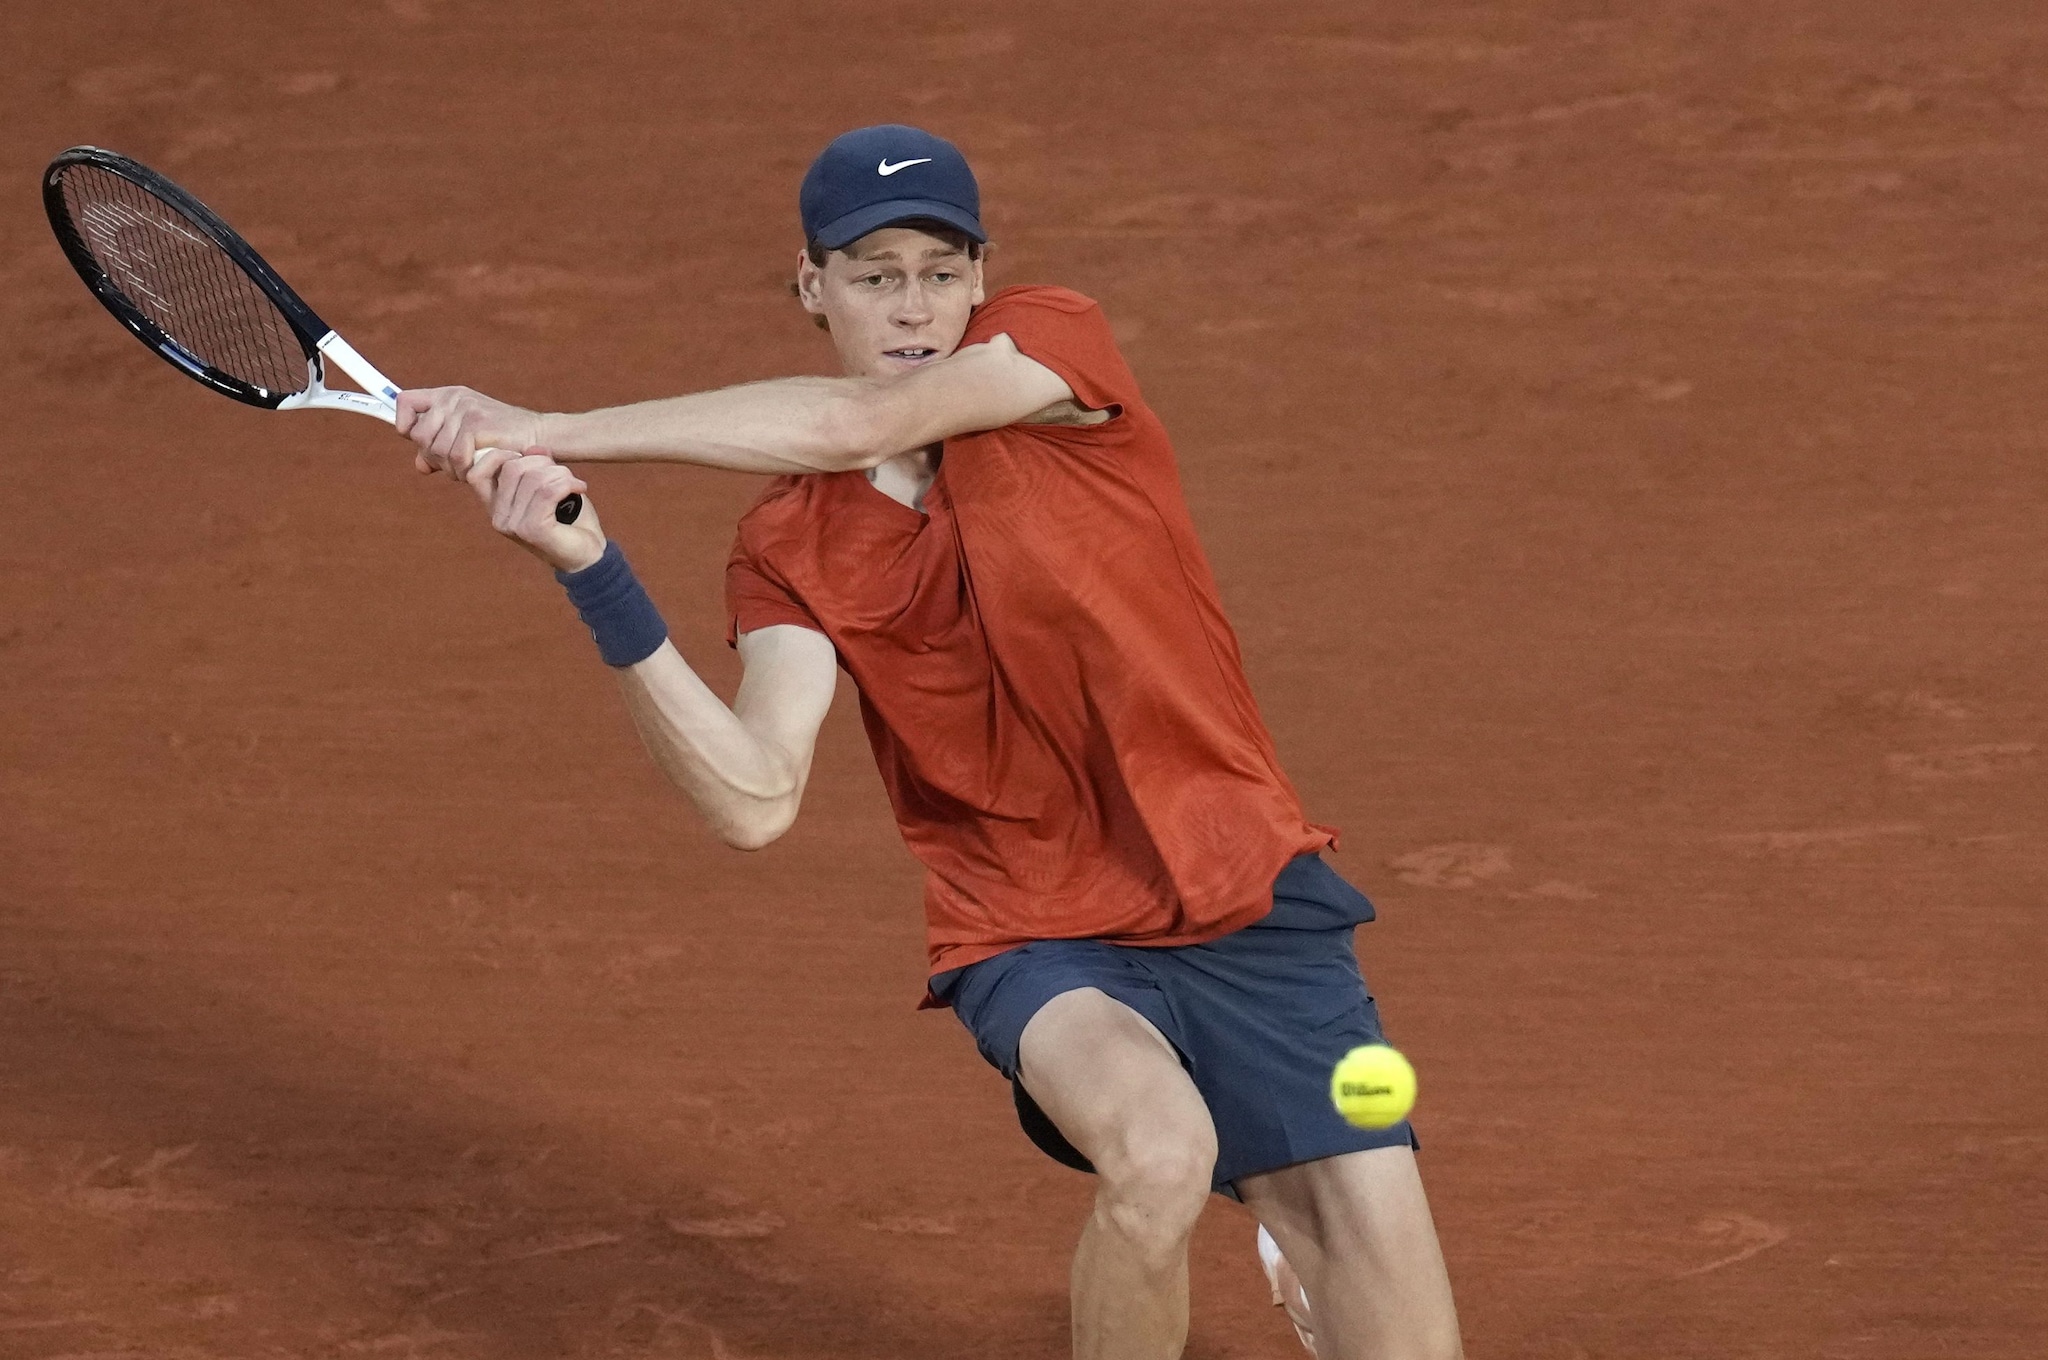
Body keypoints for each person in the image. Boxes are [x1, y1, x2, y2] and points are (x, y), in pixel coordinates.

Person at [398, 124, 1462, 1360]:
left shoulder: (1054, 351)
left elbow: (860, 421)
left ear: (980, 275)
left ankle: (1299, 1225)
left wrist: (548, 421)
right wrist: (592, 569)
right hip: (1034, 927)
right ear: (811, 286)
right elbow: (752, 797)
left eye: (939, 272)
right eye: (873, 273)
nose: (914, 305)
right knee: (1160, 1154)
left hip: (1243, 887)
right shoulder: (790, 545)